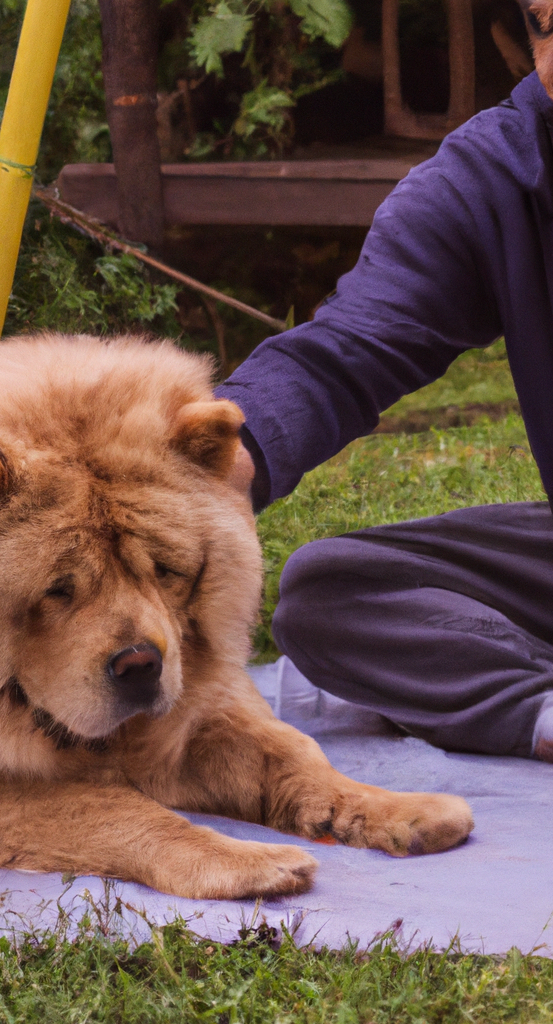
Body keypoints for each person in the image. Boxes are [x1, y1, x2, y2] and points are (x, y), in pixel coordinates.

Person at [215, 0, 553, 760]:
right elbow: (349, 345)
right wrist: (203, 460)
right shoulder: (493, 176)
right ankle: (536, 710)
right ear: (517, 42)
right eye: (548, 26)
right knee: (334, 591)